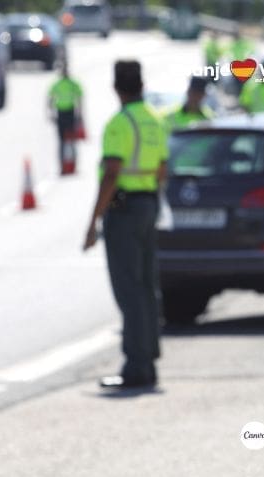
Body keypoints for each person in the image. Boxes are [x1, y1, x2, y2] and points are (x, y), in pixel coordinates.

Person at [83, 60, 169, 390]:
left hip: (124, 210)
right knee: (147, 286)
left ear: (116, 88)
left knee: (129, 289)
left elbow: (111, 173)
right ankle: (148, 361)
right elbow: (162, 170)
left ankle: (135, 366)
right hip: (148, 204)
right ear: (142, 85)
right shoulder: (155, 121)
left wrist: (93, 221)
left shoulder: (119, 124)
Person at [48, 64, 83, 163]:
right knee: (62, 140)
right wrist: (51, 113)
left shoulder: (72, 84)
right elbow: (51, 99)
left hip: (70, 112)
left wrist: (80, 114)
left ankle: (73, 162)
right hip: (61, 113)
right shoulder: (58, 84)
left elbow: (79, 98)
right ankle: (62, 163)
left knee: (71, 139)